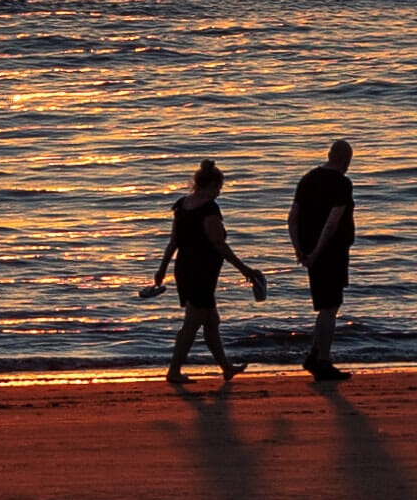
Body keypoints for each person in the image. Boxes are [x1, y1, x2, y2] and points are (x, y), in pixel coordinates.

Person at [144, 159, 260, 386]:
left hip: (185, 269)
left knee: (211, 321)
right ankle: (174, 371)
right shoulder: (209, 209)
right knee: (193, 322)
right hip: (202, 272)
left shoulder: (182, 205)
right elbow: (219, 244)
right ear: (211, 185)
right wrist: (244, 269)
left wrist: (162, 269)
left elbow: (173, 242)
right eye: (219, 188)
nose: (219, 192)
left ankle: (226, 368)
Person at [287, 139, 358, 379]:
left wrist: (299, 248)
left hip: (309, 248)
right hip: (330, 251)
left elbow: (292, 216)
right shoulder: (342, 183)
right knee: (329, 306)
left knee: (327, 305)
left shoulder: (308, 178)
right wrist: (317, 252)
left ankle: (315, 354)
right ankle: (323, 360)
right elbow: (332, 222)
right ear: (346, 160)